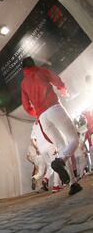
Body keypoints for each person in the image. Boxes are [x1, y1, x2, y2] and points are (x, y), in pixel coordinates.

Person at [21, 56, 82, 195]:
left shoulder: (24, 83)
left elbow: (26, 106)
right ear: (34, 64)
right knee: (73, 139)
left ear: (23, 69)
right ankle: (61, 161)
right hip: (54, 107)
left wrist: (36, 112)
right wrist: (64, 91)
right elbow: (58, 81)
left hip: (42, 117)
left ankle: (73, 183)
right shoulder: (42, 71)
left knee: (61, 147)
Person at [30, 122, 61, 192]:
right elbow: (53, 133)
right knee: (56, 164)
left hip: (41, 148)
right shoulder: (45, 118)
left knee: (50, 165)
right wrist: (56, 145)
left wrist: (38, 148)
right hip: (50, 145)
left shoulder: (34, 124)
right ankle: (56, 186)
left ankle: (45, 179)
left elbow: (32, 140)